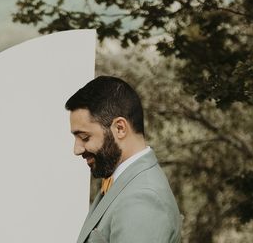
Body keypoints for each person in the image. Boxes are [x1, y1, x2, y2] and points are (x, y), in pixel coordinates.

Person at [67, 76, 181, 243]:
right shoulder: (123, 182)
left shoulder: (143, 199)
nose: (76, 150)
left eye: (85, 137)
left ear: (119, 128)